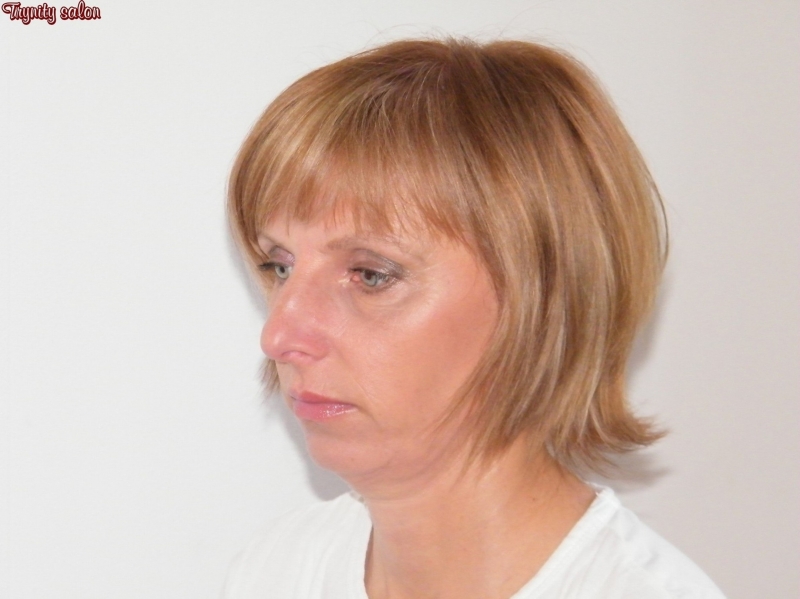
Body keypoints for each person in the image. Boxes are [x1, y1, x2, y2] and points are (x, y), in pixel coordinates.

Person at [223, 37, 725, 599]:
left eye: (371, 275)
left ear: (542, 296)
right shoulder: (276, 570)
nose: (279, 336)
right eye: (280, 266)